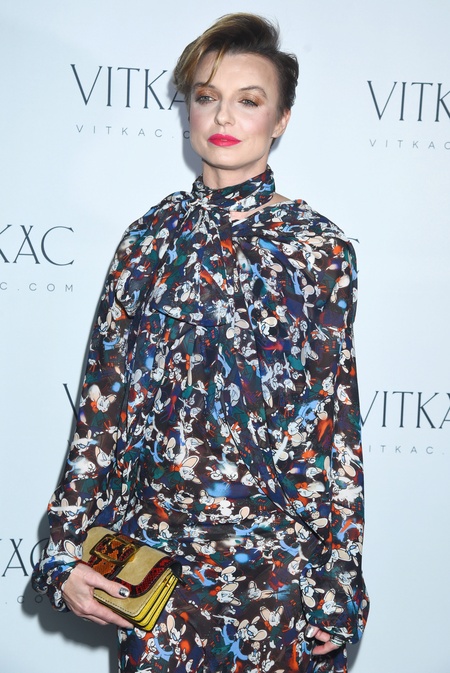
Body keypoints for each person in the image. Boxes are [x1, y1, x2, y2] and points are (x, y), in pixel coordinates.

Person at [33, 12, 369, 673]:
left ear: (282, 119)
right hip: (153, 564)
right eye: (207, 95)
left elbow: (336, 426)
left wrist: (341, 575)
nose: (224, 115)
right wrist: (64, 550)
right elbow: (102, 406)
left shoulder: (317, 249)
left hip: (279, 570)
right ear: (188, 109)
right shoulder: (148, 238)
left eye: (250, 100)